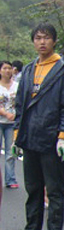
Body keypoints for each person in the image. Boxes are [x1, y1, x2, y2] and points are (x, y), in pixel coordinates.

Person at [4, 23, 64, 230]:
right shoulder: (27, 69)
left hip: (52, 139)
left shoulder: (63, 69)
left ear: (54, 41)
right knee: (33, 189)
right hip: (30, 139)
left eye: (46, 38)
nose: (42, 42)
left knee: (54, 192)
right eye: (37, 38)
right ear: (33, 41)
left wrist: (63, 136)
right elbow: (20, 106)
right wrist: (17, 136)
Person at [0, 61, 19, 189]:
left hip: (12, 123)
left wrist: (15, 114)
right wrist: (5, 114)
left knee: (10, 152)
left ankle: (10, 179)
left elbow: (21, 102)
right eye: (5, 68)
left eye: (9, 68)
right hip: (1, 120)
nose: (7, 71)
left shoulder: (17, 86)